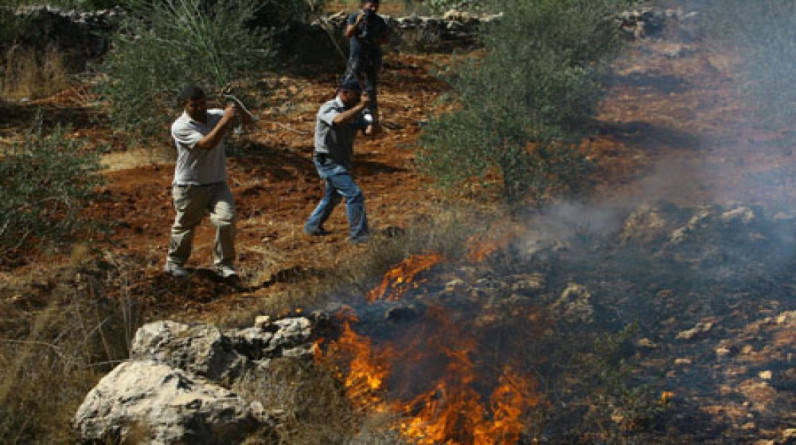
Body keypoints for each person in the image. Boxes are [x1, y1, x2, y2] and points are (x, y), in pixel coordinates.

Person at [164, 84, 250, 278]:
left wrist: (237, 106)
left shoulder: (216, 115)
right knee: (186, 225)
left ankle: (224, 265)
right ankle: (174, 263)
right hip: (190, 185)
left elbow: (248, 122)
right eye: (195, 105)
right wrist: (226, 120)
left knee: (226, 220)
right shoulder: (180, 126)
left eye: (203, 103)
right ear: (183, 105)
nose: (201, 108)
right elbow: (207, 143)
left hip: (217, 182)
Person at [304, 78, 380, 244]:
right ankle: (360, 237)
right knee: (354, 194)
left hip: (342, 159)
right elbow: (338, 120)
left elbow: (369, 132)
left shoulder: (355, 110)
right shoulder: (329, 107)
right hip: (328, 160)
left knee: (333, 196)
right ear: (344, 93)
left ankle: (312, 226)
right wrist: (361, 106)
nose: (357, 98)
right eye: (355, 95)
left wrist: (372, 116)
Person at [343, 0, 389, 122]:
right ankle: (346, 113)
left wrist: (376, 38)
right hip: (357, 56)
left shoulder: (379, 21)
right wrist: (358, 22)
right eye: (371, 5)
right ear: (363, 5)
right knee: (350, 83)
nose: (373, 8)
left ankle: (372, 117)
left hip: (373, 56)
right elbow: (348, 34)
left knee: (370, 86)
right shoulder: (354, 17)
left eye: (376, 5)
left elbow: (385, 39)